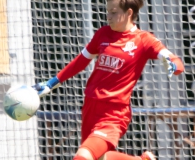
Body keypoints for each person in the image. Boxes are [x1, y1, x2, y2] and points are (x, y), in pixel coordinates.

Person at [33, 0, 184, 159]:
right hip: (90, 107)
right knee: (99, 157)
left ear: (129, 13)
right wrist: (51, 83)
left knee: (82, 157)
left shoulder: (144, 40)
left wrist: (174, 65)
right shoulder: (102, 33)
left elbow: (174, 59)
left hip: (114, 114)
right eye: (107, 12)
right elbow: (81, 61)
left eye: (113, 12)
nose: (108, 17)